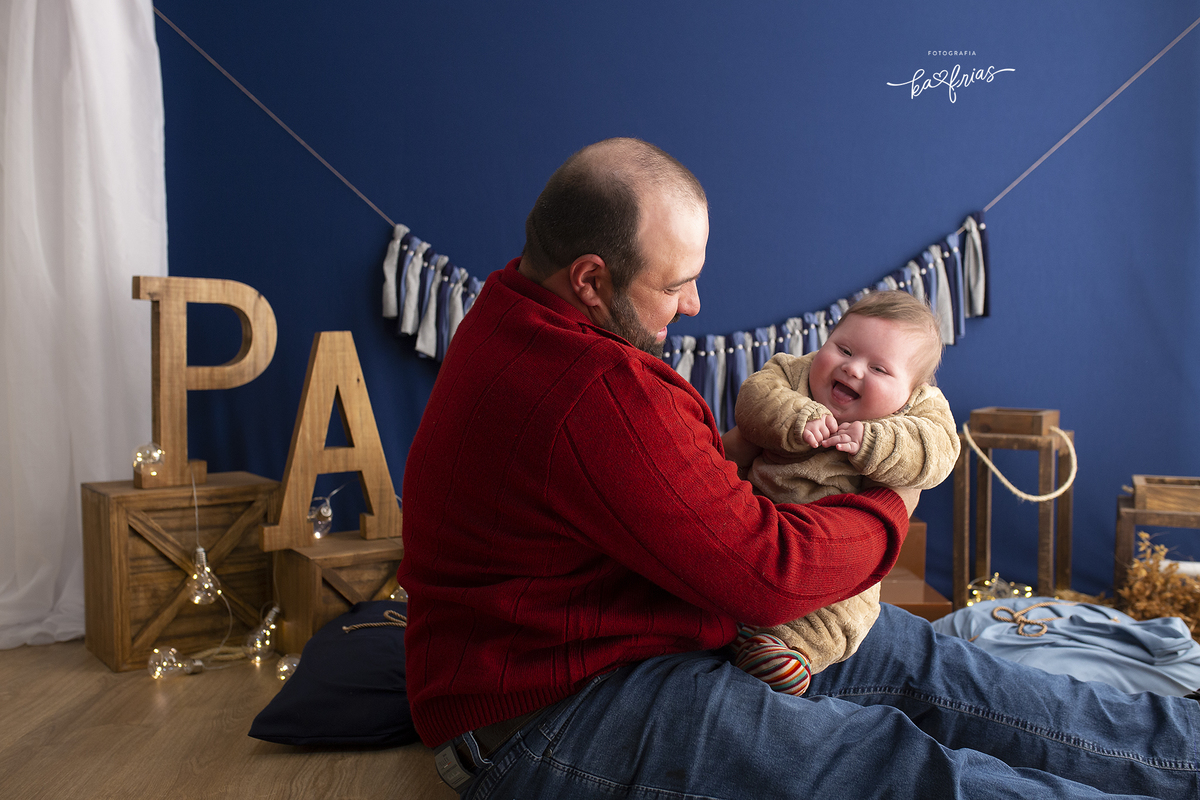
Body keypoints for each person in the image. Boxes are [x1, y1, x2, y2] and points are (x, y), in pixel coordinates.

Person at [398, 137, 1199, 799]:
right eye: (675, 284)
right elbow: (768, 573)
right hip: (554, 714)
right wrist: (895, 501)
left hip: (668, 624)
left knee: (950, 671)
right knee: (900, 770)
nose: (694, 305)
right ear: (590, 280)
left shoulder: (511, 307)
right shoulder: (596, 387)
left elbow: (681, 502)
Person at [723, 290, 960, 693]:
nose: (852, 368)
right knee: (728, 563)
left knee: (843, 612)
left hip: (839, 547)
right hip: (761, 515)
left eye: (879, 369)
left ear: (911, 390)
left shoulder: (919, 409)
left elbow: (938, 451)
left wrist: (877, 442)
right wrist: (798, 416)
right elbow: (754, 398)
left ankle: (788, 650)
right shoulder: (793, 373)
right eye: (843, 349)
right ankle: (731, 625)